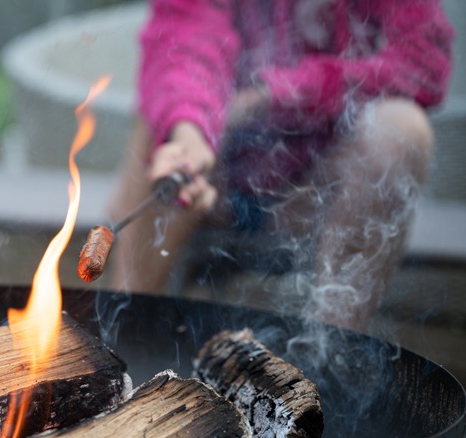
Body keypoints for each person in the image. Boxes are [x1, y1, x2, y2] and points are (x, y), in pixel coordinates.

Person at [108, 0, 454, 331]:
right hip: (212, 183)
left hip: (318, 193)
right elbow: (184, 40)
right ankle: (124, 332)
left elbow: (422, 61)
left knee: (403, 130)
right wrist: (189, 132)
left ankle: (330, 355)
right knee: (160, 125)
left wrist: (277, 94)